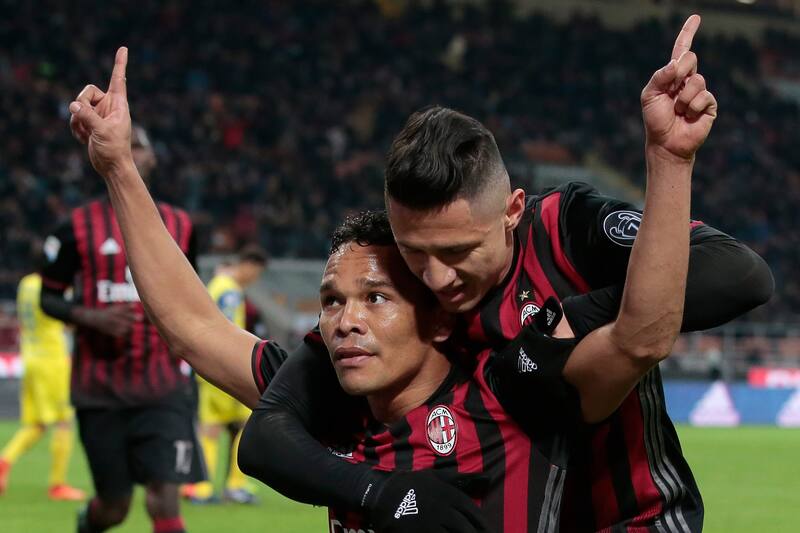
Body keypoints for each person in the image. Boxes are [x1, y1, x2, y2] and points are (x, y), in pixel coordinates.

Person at [66, 40, 697, 530]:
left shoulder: (511, 392)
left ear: (439, 315)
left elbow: (642, 338)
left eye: (375, 298)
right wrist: (119, 166)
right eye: (332, 300)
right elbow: (194, 326)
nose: (345, 320)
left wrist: (669, 162)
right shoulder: (337, 409)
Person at [241, 14, 772, 533]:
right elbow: (265, 427)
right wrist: (377, 491)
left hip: (636, 518)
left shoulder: (563, 230)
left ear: (512, 211)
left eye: (458, 251)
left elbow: (739, 275)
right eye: (415, 251)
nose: (437, 276)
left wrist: (570, 319)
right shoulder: (396, 296)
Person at [39, 124, 204, 533]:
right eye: (123, 142)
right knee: (115, 507)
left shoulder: (182, 225)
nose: (130, 150)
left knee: (165, 500)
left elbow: (191, 296)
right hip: (101, 391)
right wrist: (91, 317)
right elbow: (48, 297)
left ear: (152, 158)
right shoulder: (75, 227)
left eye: (138, 144)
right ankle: (89, 522)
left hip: (164, 387)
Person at [185, 245, 268, 505]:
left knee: (213, 426)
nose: (255, 278)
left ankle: (202, 486)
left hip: (210, 365)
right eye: (256, 273)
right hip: (226, 365)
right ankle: (232, 486)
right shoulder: (230, 291)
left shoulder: (218, 284)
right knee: (240, 425)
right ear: (249, 266)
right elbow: (227, 328)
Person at [0, 268, 85, 501]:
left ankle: (4, 462)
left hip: (30, 357)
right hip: (52, 361)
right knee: (64, 422)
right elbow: (69, 320)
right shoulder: (53, 286)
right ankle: (57, 485)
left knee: (36, 424)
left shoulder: (26, 283)